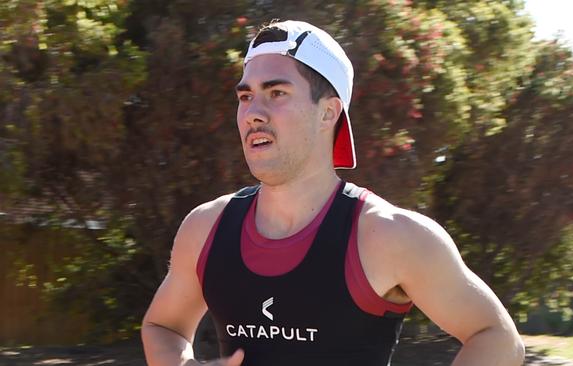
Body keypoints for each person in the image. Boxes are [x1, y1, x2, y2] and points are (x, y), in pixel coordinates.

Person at [141, 20, 525, 366]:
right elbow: (163, 327)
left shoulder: (390, 236)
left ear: (328, 112)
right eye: (245, 97)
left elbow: (497, 338)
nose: (253, 112)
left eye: (276, 93)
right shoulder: (206, 228)